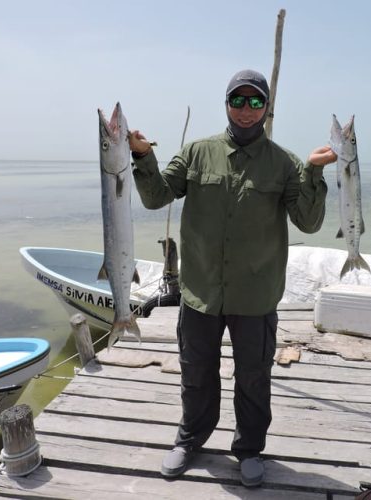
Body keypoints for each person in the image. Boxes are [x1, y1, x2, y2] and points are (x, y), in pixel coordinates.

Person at [128, 69, 336, 487]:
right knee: (196, 371)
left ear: (266, 108)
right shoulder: (196, 152)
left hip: (255, 295)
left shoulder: (285, 163)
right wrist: (140, 156)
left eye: (255, 102)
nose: (246, 109)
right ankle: (190, 441)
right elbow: (155, 198)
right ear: (226, 104)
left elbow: (309, 223)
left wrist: (314, 172)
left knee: (254, 376)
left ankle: (249, 449)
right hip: (200, 290)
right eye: (238, 100)